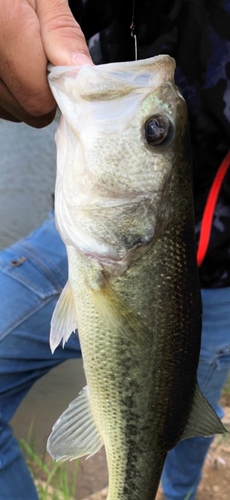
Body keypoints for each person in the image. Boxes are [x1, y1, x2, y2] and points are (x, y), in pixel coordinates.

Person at [0, 1, 230, 499]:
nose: (153, 128)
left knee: (178, 464)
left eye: (154, 133)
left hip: (215, 281)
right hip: (95, 243)